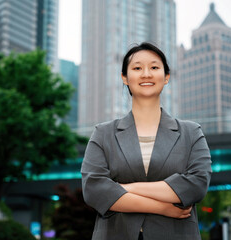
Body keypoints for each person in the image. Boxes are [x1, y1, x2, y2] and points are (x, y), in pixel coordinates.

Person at [81, 42, 212, 240]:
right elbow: (93, 190)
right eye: (137, 68)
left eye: (154, 67)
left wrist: (121, 188)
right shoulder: (103, 133)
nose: (146, 74)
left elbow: (196, 185)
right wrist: (163, 208)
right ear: (125, 78)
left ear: (166, 77)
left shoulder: (191, 132)